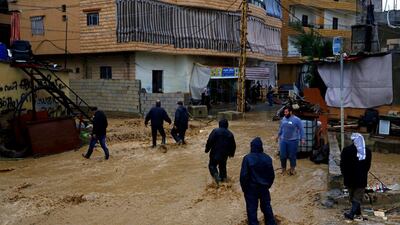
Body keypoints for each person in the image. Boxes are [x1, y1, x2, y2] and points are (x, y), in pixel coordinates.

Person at [240, 137, 277, 225]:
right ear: (261, 147)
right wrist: (268, 185)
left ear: (252, 147)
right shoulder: (267, 158)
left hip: (251, 189)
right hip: (264, 188)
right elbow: (272, 175)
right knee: (267, 207)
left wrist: (244, 189)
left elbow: (243, 176)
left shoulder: (247, 158)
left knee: (252, 209)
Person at [340, 133, 372, 220]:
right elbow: (368, 166)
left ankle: (352, 214)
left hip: (349, 178)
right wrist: (363, 173)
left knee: (352, 196)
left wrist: (344, 175)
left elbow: (342, 165)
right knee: (357, 196)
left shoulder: (346, 150)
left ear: (353, 140)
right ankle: (356, 212)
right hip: (361, 178)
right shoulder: (367, 152)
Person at [275, 106, 305, 175]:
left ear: (291, 112)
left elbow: (301, 130)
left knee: (292, 156)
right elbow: (281, 128)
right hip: (283, 140)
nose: (285, 113)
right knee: (282, 156)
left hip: (293, 141)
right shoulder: (283, 119)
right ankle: (283, 169)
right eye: (284, 112)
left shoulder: (297, 120)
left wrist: (302, 139)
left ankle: (292, 169)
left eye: (286, 112)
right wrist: (278, 136)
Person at [205, 118, 236, 184]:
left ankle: (216, 175)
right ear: (227, 125)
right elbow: (233, 145)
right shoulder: (230, 134)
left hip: (214, 153)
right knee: (222, 167)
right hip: (224, 155)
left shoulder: (215, 131)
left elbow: (210, 141)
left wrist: (207, 149)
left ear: (219, 125)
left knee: (212, 166)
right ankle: (224, 181)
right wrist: (231, 154)